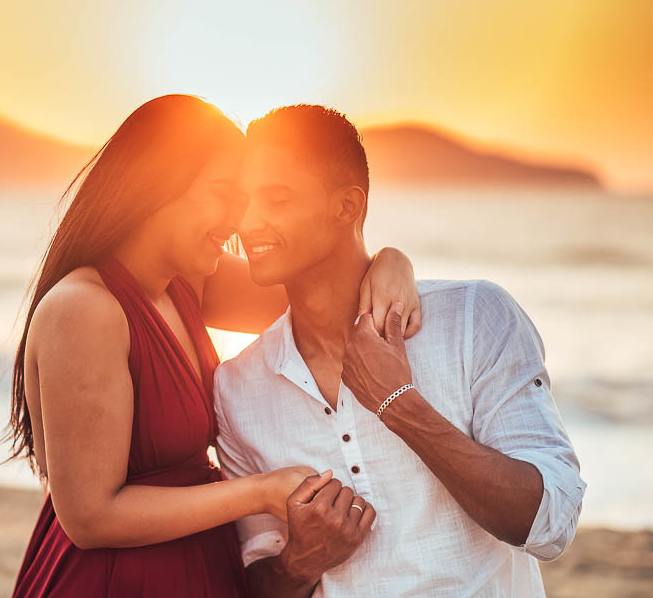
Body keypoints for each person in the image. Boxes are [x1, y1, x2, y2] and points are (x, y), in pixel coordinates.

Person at [0, 95, 422, 597]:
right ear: (159, 186)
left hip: (197, 568)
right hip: (113, 582)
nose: (240, 219)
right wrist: (262, 492)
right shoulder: (84, 309)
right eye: (225, 193)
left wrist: (392, 262)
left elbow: (322, 286)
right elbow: (90, 517)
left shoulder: (187, 285)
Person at [214, 104, 586, 597]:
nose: (248, 221)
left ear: (348, 207)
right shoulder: (237, 386)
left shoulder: (475, 317)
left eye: (277, 198)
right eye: (243, 200)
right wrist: (298, 563)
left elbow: (550, 523)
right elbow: (258, 579)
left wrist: (400, 404)